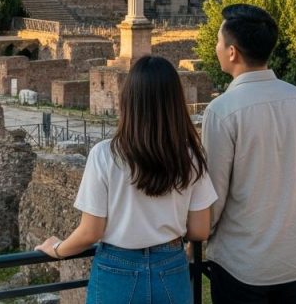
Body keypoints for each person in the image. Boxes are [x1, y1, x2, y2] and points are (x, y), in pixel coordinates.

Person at [36, 55, 216, 303]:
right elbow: (200, 229)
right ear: (176, 102)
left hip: (117, 270)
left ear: (128, 100)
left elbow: (90, 232)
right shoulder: (192, 156)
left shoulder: (104, 154)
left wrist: (57, 249)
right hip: (171, 268)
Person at [201, 3, 296, 303]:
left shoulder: (221, 112)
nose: (216, 48)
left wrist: (199, 233)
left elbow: (213, 200)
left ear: (232, 52)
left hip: (242, 266)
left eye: (218, 42)